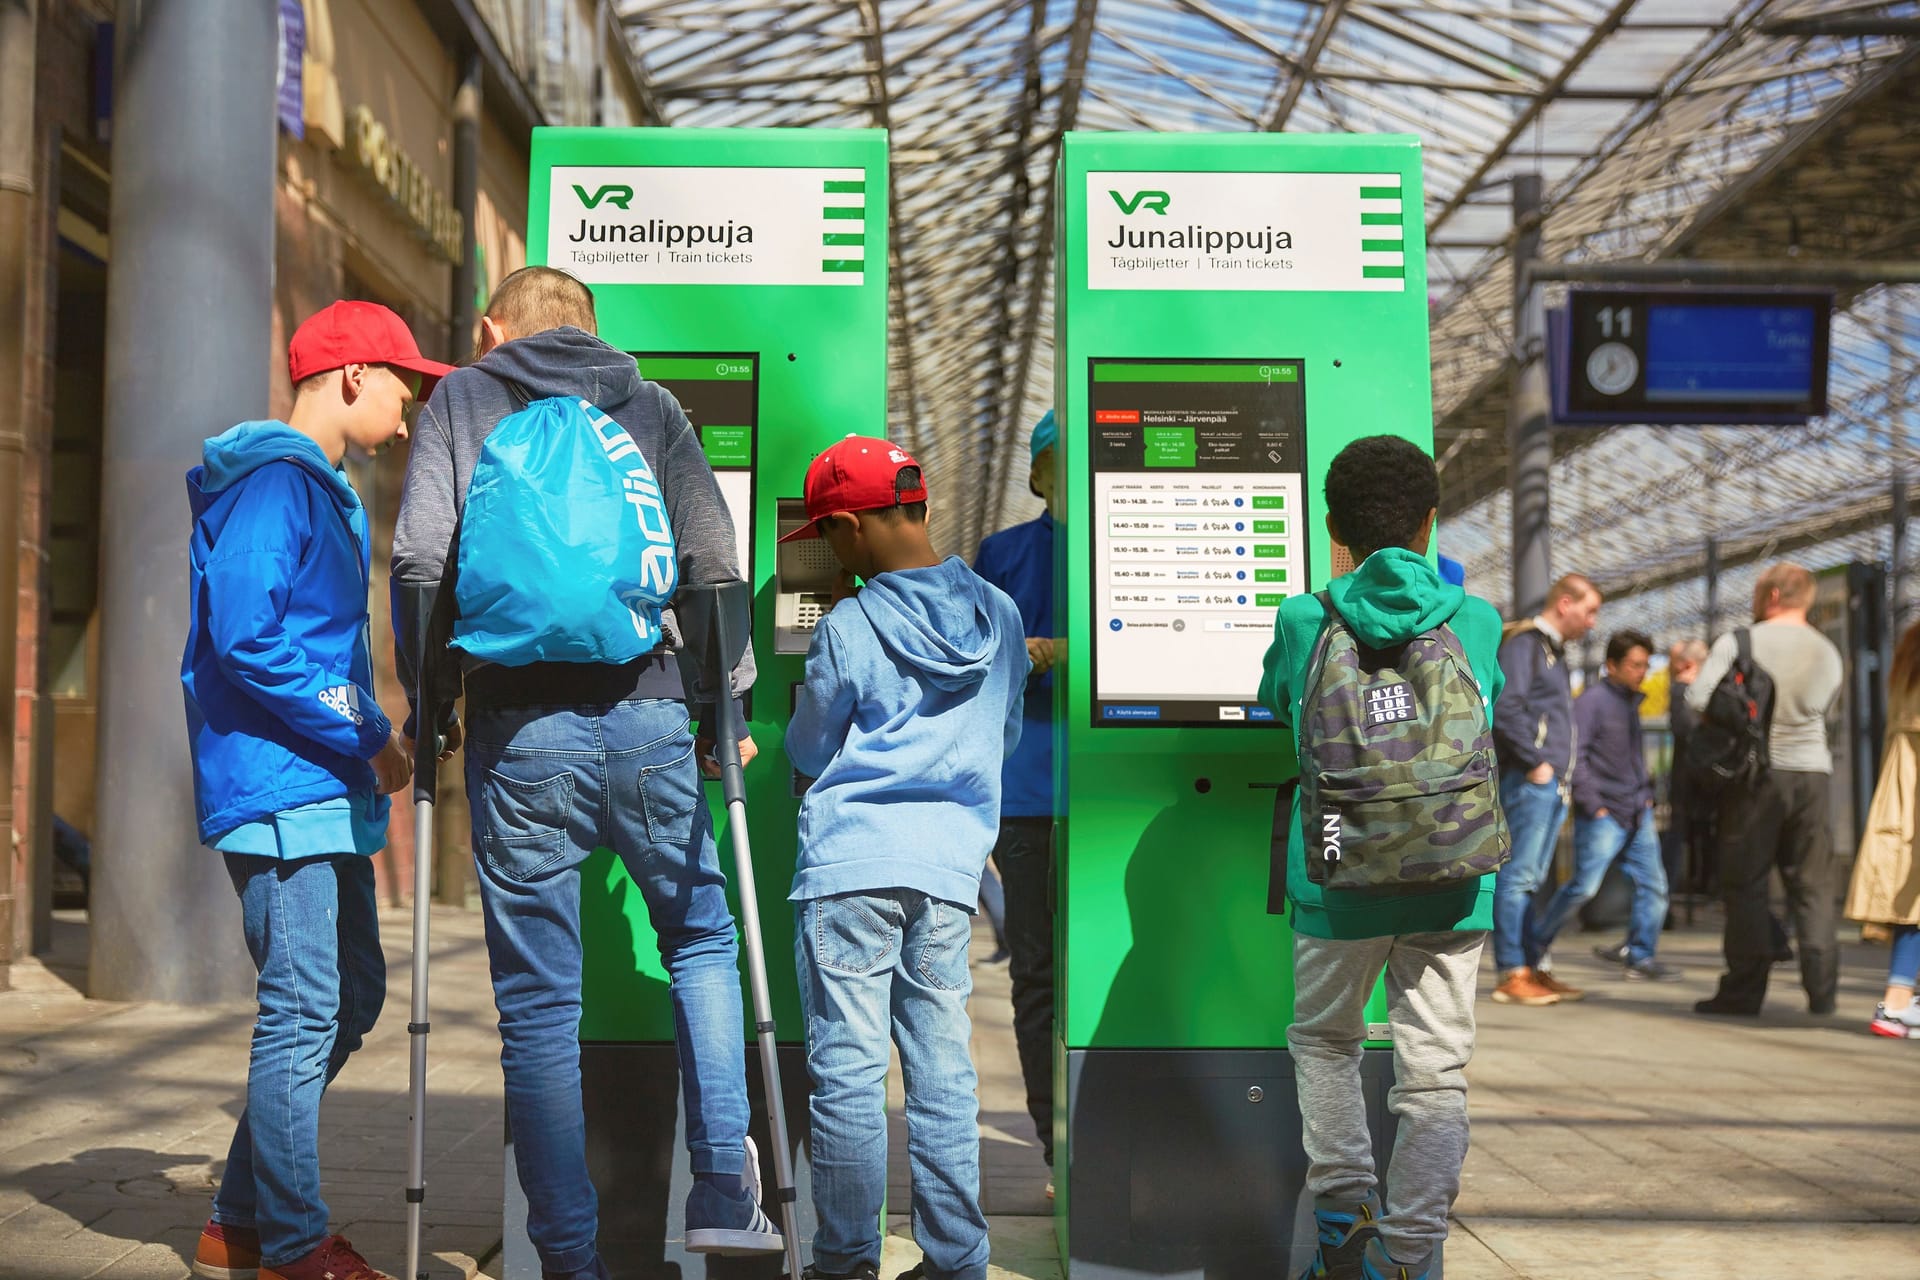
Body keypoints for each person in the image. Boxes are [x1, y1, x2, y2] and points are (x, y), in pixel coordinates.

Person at [391, 267, 779, 1279]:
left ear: (492, 325)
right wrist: (722, 702)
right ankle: (723, 1189)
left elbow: (421, 563)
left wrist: (428, 708)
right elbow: (713, 563)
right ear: (593, 331)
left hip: (519, 727)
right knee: (698, 937)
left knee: (536, 1002)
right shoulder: (649, 406)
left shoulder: (462, 397)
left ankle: (568, 1253)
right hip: (651, 712)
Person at [183, 301, 446, 1280]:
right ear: (351, 377)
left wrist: (361, 736)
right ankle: (293, 1243)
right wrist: (368, 729)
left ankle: (238, 1219)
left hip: (318, 789)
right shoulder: (273, 486)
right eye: (401, 390)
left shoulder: (323, 488)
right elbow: (250, 637)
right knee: (303, 1005)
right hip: (279, 786)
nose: (410, 415)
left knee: (354, 992)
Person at [1258, 435, 1505, 1280]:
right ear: (1432, 524)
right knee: (1434, 1074)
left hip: (1337, 879)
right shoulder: (1475, 620)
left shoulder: (1303, 617)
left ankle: (1344, 1223)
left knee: (1327, 1042)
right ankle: (1413, 1255)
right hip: (1453, 885)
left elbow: (1278, 700)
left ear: (1334, 526)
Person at [781, 436, 1027, 1280]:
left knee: (847, 1073)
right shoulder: (1000, 615)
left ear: (851, 527)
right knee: (942, 1064)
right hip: (949, 871)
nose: (825, 552)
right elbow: (1005, 734)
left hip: (850, 866)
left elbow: (812, 746)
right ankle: (957, 1259)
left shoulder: (848, 625)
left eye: (824, 536)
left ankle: (845, 1263)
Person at [969, 408, 1060, 1192]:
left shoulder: (1134, 548)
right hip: (1029, 792)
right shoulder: (1002, 556)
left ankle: (1099, 1123)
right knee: (1034, 971)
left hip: (1114, 786)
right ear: (1039, 472)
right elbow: (981, 662)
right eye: (1059, 461)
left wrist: (1050, 653)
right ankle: (1055, 1137)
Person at [1690, 562, 1843, 1017]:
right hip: (1814, 776)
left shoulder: (1741, 642)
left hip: (1758, 778)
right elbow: (1829, 710)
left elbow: (1698, 697)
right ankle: (1822, 993)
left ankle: (1743, 991)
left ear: (1773, 595)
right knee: (1813, 886)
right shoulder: (1827, 650)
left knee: (1747, 883)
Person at [1536, 630, 1682, 983]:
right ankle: (1534, 945)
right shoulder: (1592, 703)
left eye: (1646, 665)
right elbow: (1576, 755)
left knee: (1654, 886)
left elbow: (1630, 757)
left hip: (1637, 810)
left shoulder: (1629, 702)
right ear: (1611, 665)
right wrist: (1594, 805)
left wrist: (1645, 795)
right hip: (1605, 813)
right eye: (1634, 665)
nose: (1642, 672)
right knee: (1584, 887)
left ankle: (1640, 955)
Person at [1488, 573, 1602, 1006]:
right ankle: (1511, 972)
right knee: (1518, 879)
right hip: (1531, 782)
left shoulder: (1550, 651)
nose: (1592, 622)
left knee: (1533, 880)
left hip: (1551, 785)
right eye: (1589, 610)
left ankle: (1533, 967)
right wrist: (1536, 764)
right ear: (1565, 602)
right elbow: (1506, 706)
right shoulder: (1526, 645)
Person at [1844, 618, 1920, 1038]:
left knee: (1911, 906)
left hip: (1903, 804)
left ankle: (1896, 1004)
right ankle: (1896, 1005)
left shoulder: (1907, 666)